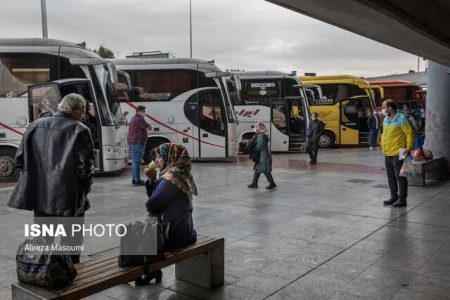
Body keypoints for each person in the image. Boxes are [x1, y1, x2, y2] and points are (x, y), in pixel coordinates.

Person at [8, 93, 94, 264]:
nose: (83, 116)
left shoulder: (34, 126)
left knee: (43, 240)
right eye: (83, 111)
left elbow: (19, 160)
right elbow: (85, 169)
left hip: (39, 195)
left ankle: (41, 271)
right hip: (68, 197)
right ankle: (69, 274)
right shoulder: (80, 130)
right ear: (75, 109)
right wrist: (85, 190)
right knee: (70, 242)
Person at [146, 143, 198, 249]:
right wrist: (152, 180)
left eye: (159, 157)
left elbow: (152, 205)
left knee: (131, 250)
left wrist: (155, 182)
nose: (156, 161)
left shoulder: (171, 178)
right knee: (133, 247)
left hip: (172, 237)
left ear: (170, 157)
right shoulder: (183, 173)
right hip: (185, 232)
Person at [380, 99, 415, 207]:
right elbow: (384, 133)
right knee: (390, 176)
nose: (382, 110)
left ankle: (402, 199)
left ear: (390, 108)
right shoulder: (386, 118)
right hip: (387, 152)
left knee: (400, 177)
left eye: (384, 107)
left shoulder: (401, 118)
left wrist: (408, 148)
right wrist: (381, 143)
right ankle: (393, 196)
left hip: (399, 152)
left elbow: (409, 134)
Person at [247, 121, 277, 189]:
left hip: (263, 156)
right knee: (257, 169)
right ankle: (254, 183)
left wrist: (253, 146)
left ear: (259, 128)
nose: (255, 128)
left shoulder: (262, 135)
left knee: (265, 170)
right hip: (262, 155)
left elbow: (259, 146)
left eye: (256, 127)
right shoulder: (262, 134)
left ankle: (272, 183)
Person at [128, 105, 152, 185]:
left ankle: (135, 179)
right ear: (138, 111)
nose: (144, 113)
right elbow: (149, 127)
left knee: (135, 162)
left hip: (134, 143)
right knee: (137, 162)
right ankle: (137, 180)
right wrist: (148, 127)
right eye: (143, 111)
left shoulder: (133, 118)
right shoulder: (139, 119)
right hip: (137, 143)